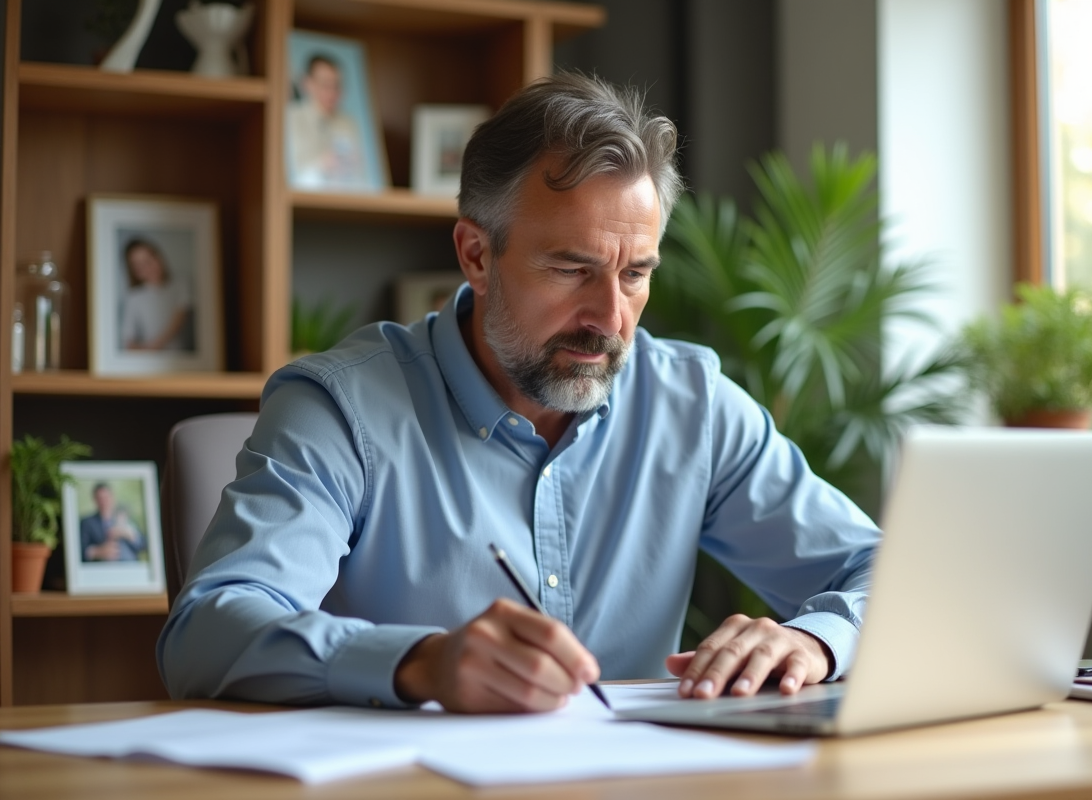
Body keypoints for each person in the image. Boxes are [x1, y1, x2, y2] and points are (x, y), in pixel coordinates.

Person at [159, 73, 880, 714]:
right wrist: (420, 663)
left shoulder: (691, 404)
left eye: (635, 275)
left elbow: (885, 572)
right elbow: (209, 630)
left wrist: (815, 641)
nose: (609, 318)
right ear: (476, 253)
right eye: (571, 269)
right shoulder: (342, 409)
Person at [286, 54, 368, 189]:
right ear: (307, 83)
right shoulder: (290, 118)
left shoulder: (348, 124)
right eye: (325, 84)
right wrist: (323, 165)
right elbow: (290, 178)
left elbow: (360, 179)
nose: (331, 93)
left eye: (336, 86)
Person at [121, 238, 193, 352]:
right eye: (139, 265)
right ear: (133, 270)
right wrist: (143, 351)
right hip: (148, 361)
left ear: (158, 258)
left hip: (180, 359)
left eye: (148, 261)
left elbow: (180, 317)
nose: (147, 268)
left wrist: (152, 347)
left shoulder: (180, 284)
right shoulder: (133, 297)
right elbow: (128, 339)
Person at [80, 483, 146, 563]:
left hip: (130, 568)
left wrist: (128, 534)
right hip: (101, 570)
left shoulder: (127, 519)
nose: (104, 502)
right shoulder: (87, 523)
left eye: (106, 497)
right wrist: (98, 551)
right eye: (100, 498)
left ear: (112, 497)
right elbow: (80, 551)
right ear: (94, 500)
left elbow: (144, 544)